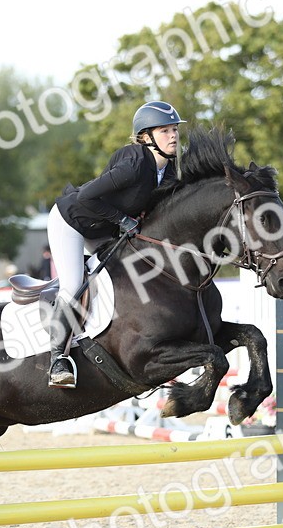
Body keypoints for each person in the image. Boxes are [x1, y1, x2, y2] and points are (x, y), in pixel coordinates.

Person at [45, 100, 184, 388]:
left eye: (175, 130)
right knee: (73, 284)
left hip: (103, 226)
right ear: (146, 137)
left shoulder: (168, 171)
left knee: (123, 276)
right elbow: (87, 198)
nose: (173, 136)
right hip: (72, 221)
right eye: (164, 130)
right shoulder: (134, 163)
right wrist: (122, 220)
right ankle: (57, 359)